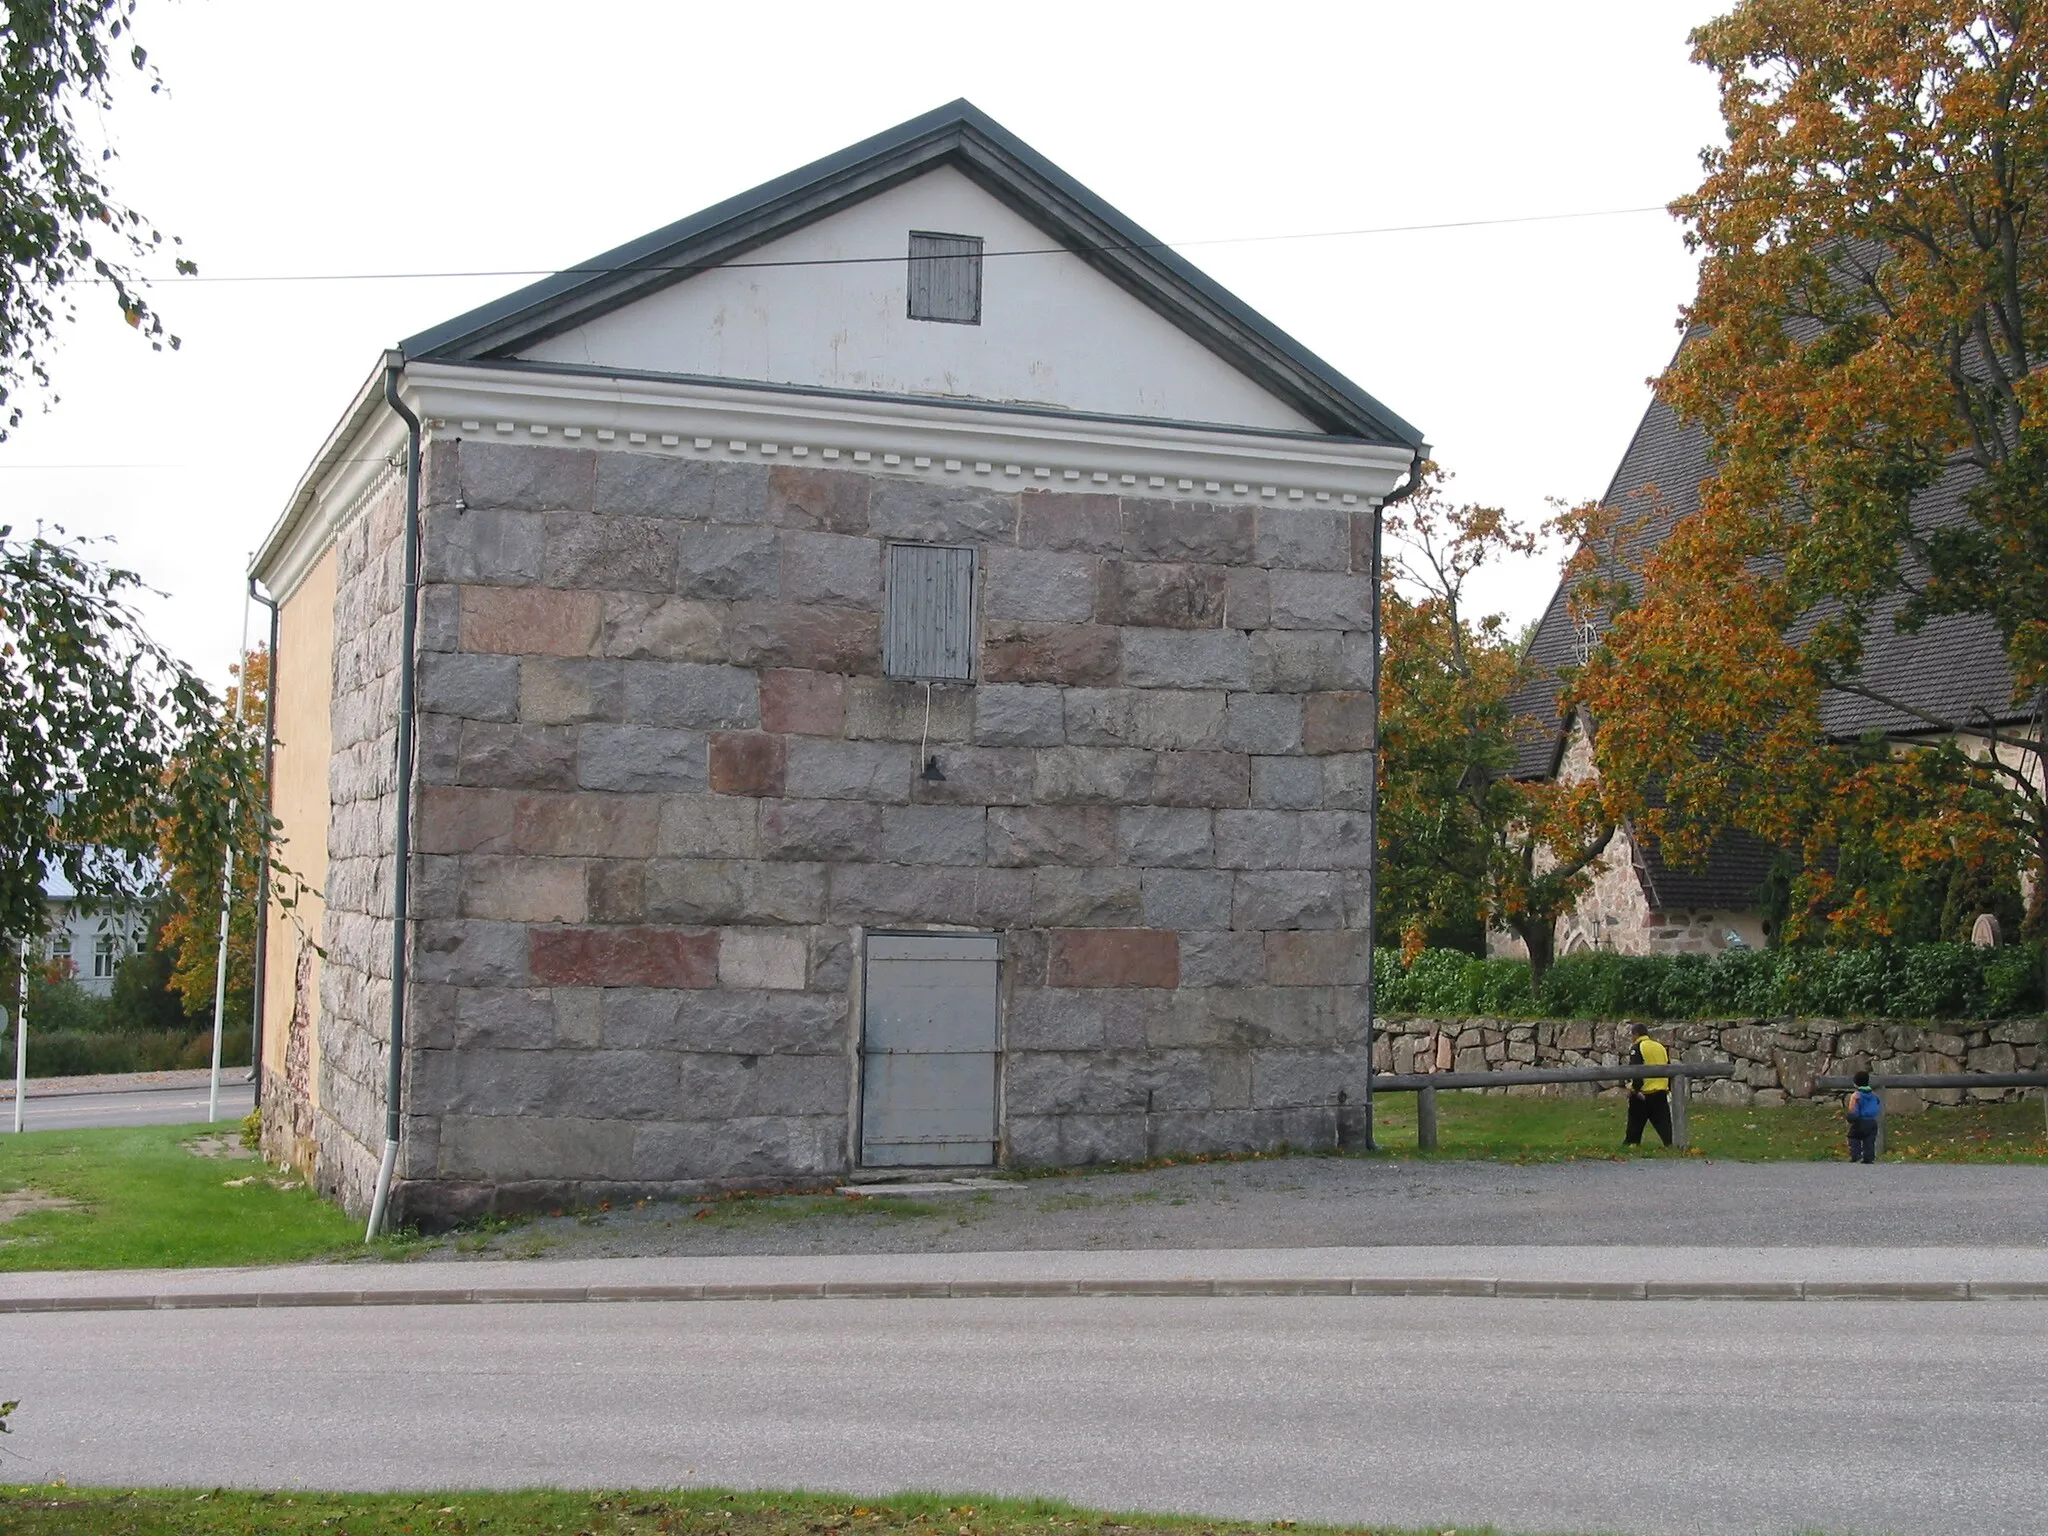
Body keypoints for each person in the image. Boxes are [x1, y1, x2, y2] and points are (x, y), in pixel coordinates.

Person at [1623, 1023, 1672, 1148]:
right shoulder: (1660, 1046)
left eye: (1632, 1035)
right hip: (1661, 1091)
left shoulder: (1637, 1047)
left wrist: (1635, 1089)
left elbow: (1637, 1071)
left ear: (1636, 1034)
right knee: (1664, 1124)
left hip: (1644, 1093)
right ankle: (1671, 1145)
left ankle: (1631, 1144)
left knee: (1635, 1123)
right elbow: (1669, 1067)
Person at [1845, 1070, 1881, 1165]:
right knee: (1869, 1140)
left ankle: (1856, 1154)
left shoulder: (1856, 1095)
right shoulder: (1873, 1095)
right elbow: (1877, 1102)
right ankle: (1868, 1157)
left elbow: (1853, 1108)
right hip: (1872, 1121)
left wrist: (1850, 1117)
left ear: (1855, 1084)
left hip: (1860, 1121)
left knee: (1853, 1136)